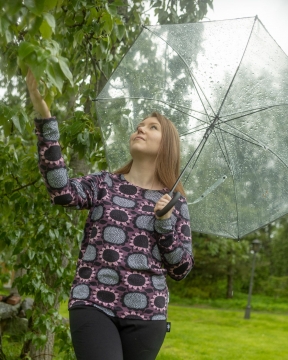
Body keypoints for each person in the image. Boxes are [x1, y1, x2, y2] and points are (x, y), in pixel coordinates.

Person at [26, 69, 194, 360]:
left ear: (167, 146)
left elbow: (181, 270)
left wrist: (165, 225)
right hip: (93, 302)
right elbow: (62, 191)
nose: (140, 128)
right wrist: (44, 116)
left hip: (147, 315)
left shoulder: (175, 203)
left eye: (152, 127)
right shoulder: (104, 183)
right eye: (139, 125)